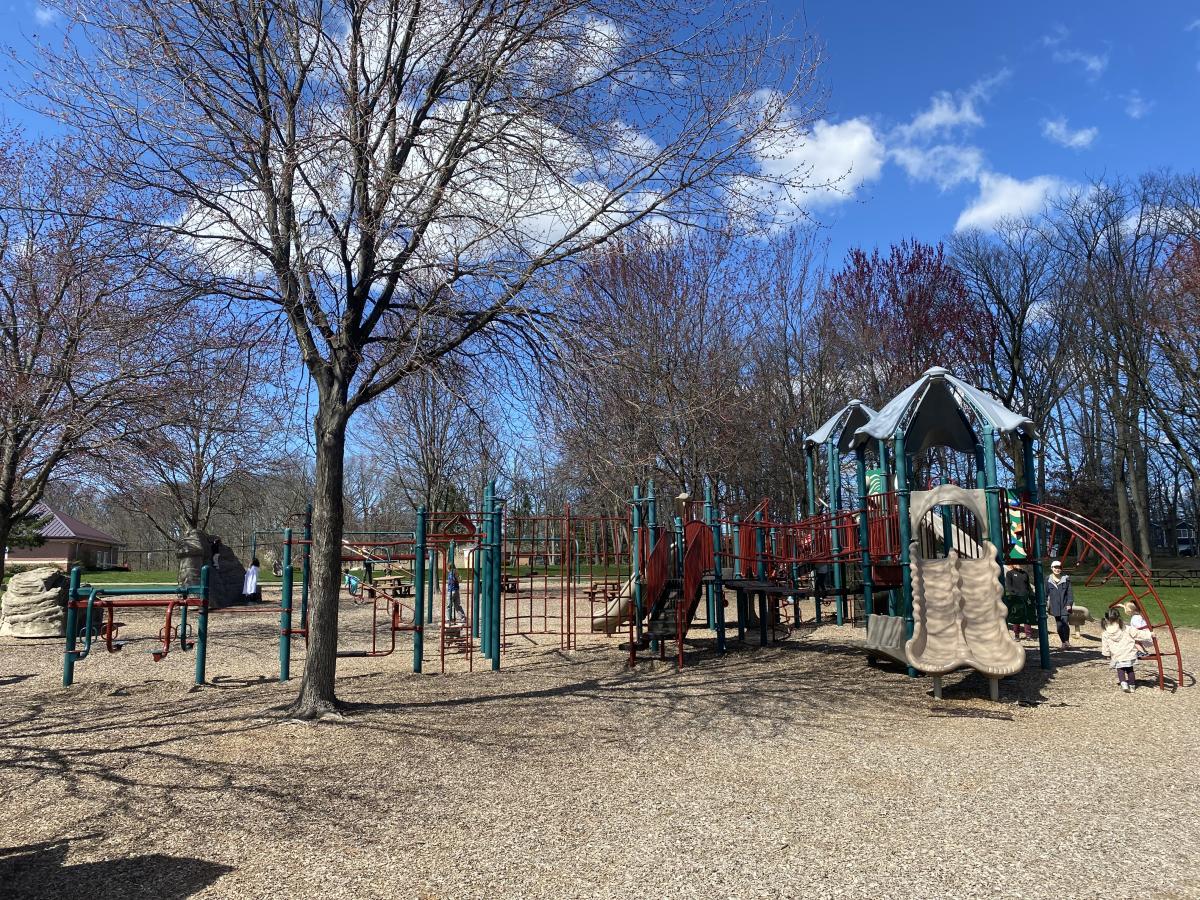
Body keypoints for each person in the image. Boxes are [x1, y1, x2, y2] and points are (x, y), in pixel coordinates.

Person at [1101, 607, 1150, 693]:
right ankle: (1132, 686)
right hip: (1128, 653)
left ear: (1106, 619)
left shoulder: (1105, 633)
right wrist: (1150, 634)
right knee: (1130, 670)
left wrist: (1107, 654)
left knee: (1120, 670)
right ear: (1119, 617)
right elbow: (1138, 634)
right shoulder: (1126, 628)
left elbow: (1105, 645)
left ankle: (1123, 683)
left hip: (1117, 655)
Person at [1045, 559, 1074, 649]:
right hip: (1054, 606)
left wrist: (1069, 603)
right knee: (1059, 626)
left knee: (1065, 623)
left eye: (1059, 568)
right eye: (1055, 567)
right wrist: (1045, 604)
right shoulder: (1048, 580)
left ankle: (1067, 641)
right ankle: (1063, 642)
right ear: (1052, 568)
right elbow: (1045, 593)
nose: (1057, 569)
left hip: (1065, 605)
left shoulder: (1066, 579)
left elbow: (1070, 593)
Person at [1005, 565, 1032, 639]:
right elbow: (1009, 586)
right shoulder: (1010, 573)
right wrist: (1014, 595)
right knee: (1017, 616)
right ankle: (1016, 635)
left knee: (1027, 616)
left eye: (1020, 563)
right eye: (1016, 563)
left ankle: (1028, 635)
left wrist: (1030, 595)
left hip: (1025, 597)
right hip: (1016, 598)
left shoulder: (1025, 573)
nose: (1018, 565)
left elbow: (1028, 586)